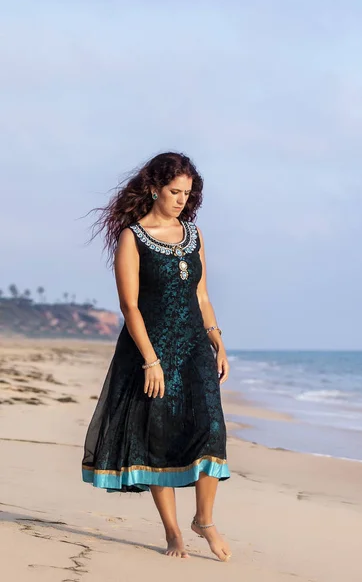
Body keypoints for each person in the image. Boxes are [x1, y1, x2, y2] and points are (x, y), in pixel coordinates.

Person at [82, 152, 231, 561]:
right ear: (154, 189)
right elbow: (129, 306)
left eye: (188, 192)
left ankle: (204, 519)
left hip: (195, 349)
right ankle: (173, 533)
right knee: (160, 436)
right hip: (151, 350)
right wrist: (150, 359)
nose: (182, 199)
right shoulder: (133, 237)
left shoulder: (194, 235)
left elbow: (201, 295)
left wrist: (217, 340)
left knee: (210, 429)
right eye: (174, 191)